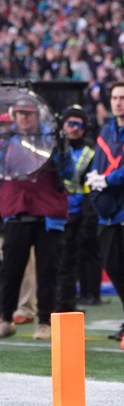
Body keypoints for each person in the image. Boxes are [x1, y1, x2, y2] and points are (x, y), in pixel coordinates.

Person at [0, 96, 69, 340]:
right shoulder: (5, 143)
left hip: (47, 214)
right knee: (10, 271)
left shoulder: (51, 139)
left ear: (36, 115)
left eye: (28, 113)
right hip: (17, 211)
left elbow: (69, 172)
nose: (24, 117)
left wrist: (62, 153)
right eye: (20, 113)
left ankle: (44, 322)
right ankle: (6, 319)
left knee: (48, 272)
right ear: (15, 116)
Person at [87, 82, 124, 342]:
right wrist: (93, 176)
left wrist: (107, 180)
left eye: (123, 97)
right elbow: (98, 161)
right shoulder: (106, 130)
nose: (118, 102)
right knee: (113, 266)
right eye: (115, 97)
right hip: (107, 213)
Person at [56, 105, 99, 311]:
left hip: (79, 213)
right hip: (56, 212)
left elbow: (90, 187)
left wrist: (88, 216)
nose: (74, 128)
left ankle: (87, 295)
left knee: (80, 256)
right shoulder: (52, 148)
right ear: (63, 125)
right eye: (71, 123)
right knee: (58, 260)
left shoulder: (90, 153)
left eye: (79, 125)